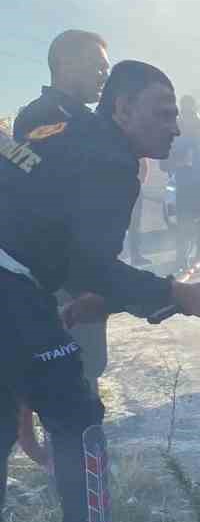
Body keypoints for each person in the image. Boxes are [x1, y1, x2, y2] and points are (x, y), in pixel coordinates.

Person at [0, 60, 200, 522]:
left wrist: (93, 299)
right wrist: (178, 294)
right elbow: (90, 264)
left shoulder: (61, 129)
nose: (174, 126)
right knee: (75, 412)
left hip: (14, 281)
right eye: (162, 113)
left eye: (176, 115)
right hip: (8, 282)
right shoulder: (111, 161)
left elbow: (57, 236)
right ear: (122, 108)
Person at [14, 31, 114, 385]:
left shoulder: (80, 118)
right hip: (61, 272)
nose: (106, 74)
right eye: (98, 66)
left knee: (88, 367)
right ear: (67, 63)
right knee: (75, 372)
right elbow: (51, 185)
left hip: (80, 267)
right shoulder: (44, 116)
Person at [12, 29, 110, 141]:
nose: (106, 77)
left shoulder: (32, 113)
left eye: (107, 70)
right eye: (99, 67)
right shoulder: (49, 117)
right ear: (66, 64)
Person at [165, 95, 200, 274]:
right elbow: (166, 157)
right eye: (187, 109)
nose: (190, 113)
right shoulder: (175, 128)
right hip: (186, 184)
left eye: (192, 109)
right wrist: (179, 160)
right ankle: (182, 260)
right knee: (185, 224)